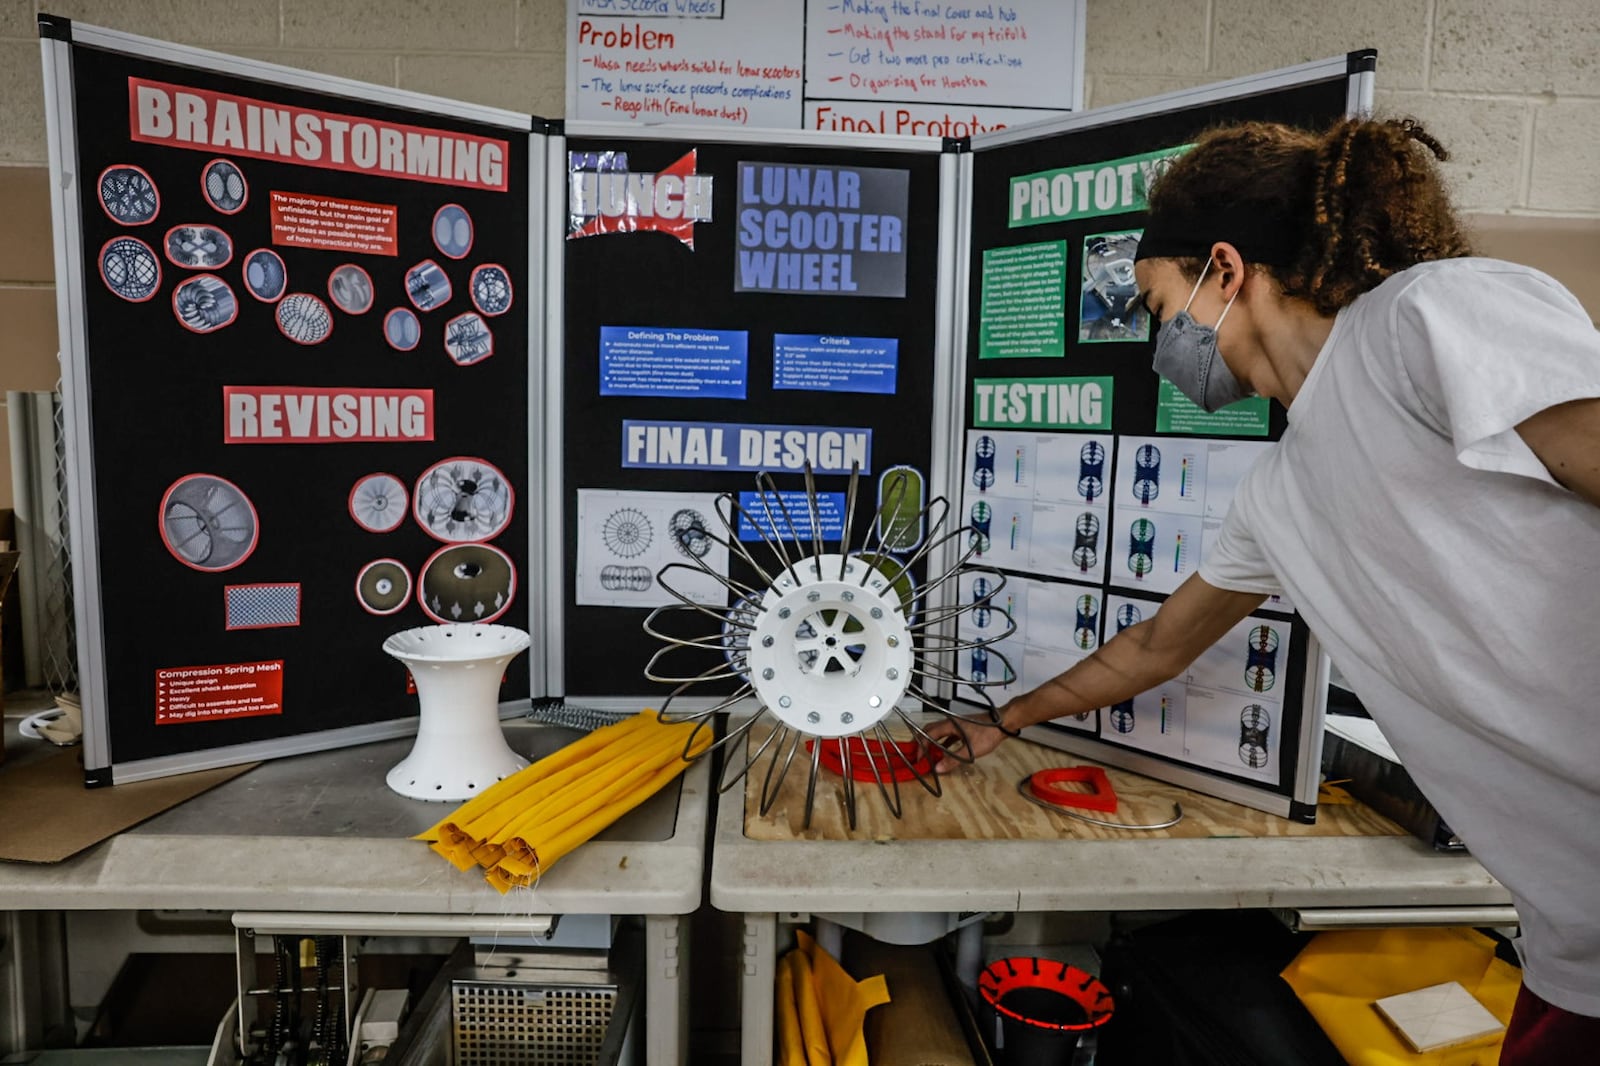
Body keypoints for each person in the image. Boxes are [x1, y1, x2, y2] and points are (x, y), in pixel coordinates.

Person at [927, 117, 1600, 1063]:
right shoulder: (1279, 497)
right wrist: (1006, 715)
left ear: (1226, 273)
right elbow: (1158, 648)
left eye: (1163, 311)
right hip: (1576, 944)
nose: (1164, 345)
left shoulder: (1427, 318)